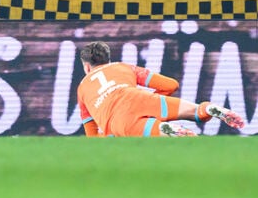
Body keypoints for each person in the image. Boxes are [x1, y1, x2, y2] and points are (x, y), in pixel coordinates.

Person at [76, 41, 245, 137]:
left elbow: (92, 134)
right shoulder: (123, 67)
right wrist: (150, 102)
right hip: (141, 98)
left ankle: (167, 129)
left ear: (87, 67)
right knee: (195, 112)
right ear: (108, 58)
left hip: (119, 120)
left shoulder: (82, 88)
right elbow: (171, 85)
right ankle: (210, 108)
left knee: (160, 132)